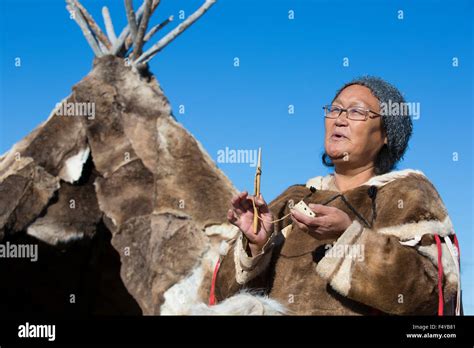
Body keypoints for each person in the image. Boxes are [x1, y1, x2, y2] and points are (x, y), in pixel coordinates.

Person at [213, 76, 461, 315]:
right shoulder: (293, 199)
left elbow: (431, 294)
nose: (339, 120)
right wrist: (257, 245)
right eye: (335, 109)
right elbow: (225, 299)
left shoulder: (406, 194)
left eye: (356, 112)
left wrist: (347, 236)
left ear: (386, 134)